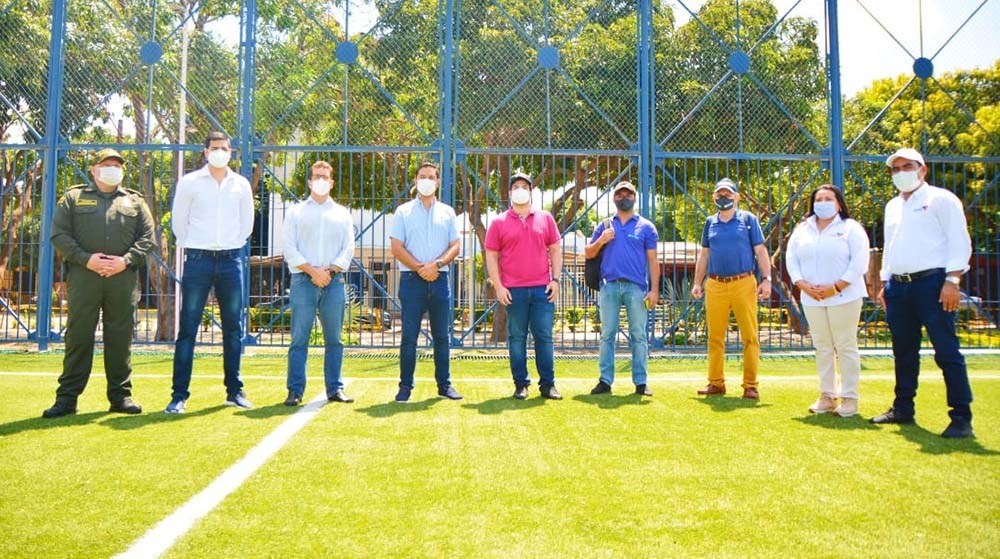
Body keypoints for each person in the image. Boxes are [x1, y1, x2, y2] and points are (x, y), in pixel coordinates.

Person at [43, 148, 156, 418]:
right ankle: (67, 399)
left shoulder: (134, 201)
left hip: (122, 278)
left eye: (117, 165)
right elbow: (59, 235)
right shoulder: (73, 198)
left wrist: (125, 261)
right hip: (84, 277)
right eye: (106, 165)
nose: (112, 169)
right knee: (78, 337)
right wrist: (87, 259)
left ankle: (121, 396)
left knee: (120, 337)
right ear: (94, 170)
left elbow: (148, 238)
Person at [872, 148, 975, 438]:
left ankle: (961, 417)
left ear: (923, 169)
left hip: (933, 284)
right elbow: (891, 245)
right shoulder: (893, 206)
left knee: (946, 350)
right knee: (903, 350)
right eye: (895, 169)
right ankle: (903, 408)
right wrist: (885, 281)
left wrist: (952, 280)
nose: (900, 173)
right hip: (898, 286)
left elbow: (959, 240)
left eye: (907, 166)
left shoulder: (941, 199)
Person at [166, 131, 255, 413]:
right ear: (205, 152)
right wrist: (195, 243)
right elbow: (179, 222)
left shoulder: (240, 184)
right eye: (215, 148)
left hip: (231, 260)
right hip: (198, 260)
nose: (220, 152)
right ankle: (179, 395)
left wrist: (230, 244)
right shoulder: (190, 182)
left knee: (233, 328)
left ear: (231, 151)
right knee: (188, 328)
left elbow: (247, 223)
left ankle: (234, 391)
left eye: (224, 148)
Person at [786, 185, 870, 417]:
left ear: (839, 204)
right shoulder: (802, 229)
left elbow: (859, 262)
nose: (823, 203)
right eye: (819, 199)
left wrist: (836, 287)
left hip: (844, 297)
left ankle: (850, 398)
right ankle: (827, 396)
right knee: (822, 346)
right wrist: (802, 284)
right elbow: (791, 259)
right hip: (811, 298)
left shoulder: (850, 228)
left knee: (845, 345)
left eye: (828, 198)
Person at [282, 161, 355, 406]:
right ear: (310, 181)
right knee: (299, 338)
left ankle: (335, 388)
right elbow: (289, 248)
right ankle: (295, 390)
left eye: (325, 176)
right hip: (303, 280)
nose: (321, 180)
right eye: (317, 176)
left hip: (334, 282)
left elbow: (348, 248)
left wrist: (330, 271)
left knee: (334, 339)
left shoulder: (342, 214)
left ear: (331, 182)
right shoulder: (295, 212)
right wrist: (313, 271)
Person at [690, 178, 772, 400]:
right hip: (715, 284)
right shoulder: (710, 222)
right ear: (714, 197)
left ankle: (750, 385)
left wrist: (767, 279)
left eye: (727, 193)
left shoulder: (748, 220)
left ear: (737, 197)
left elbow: (760, 250)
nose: (723, 197)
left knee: (750, 336)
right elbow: (704, 254)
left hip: (743, 283)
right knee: (715, 337)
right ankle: (716, 383)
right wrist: (697, 282)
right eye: (719, 194)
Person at [485, 172, 563, 400]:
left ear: (531, 192)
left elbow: (555, 249)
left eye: (524, 186)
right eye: (516, 186)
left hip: (542, 290)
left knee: (544, 337)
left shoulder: (545, 218)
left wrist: (556, 280)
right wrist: (498, 286)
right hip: (513, 291)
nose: (520, 190)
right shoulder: (498, 222)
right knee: (517, 338)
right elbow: (491, 255)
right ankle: (521, 384)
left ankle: (548, 385)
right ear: (510, 192)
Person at [389, 162, 463, 403]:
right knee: (409, 336)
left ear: (438, 182)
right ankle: (405, 387)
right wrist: (420, 268)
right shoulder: (403, 212)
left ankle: (445, 385)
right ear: (415, 180)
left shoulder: (447, 212)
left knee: (441, 336)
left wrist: (437, 265)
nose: (427, 180)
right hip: (412, 280)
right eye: (423, 176)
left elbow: (455, 245)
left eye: (431, 177)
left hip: (440, 279)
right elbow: (397, 247)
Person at [585, 181, 660, 396]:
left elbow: (653, 260)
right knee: (607, 335)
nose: (624, 198)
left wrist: (654, 290)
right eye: (620, 194)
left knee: (638, 335)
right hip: (609, 287)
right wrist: (601, 240)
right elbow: (589, 253)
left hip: (636, 288)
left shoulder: (646, 227)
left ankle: (641, 382)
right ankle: (605, 381)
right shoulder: (605, 225)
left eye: (628, 194)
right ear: (614, 198)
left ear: (635, 198)